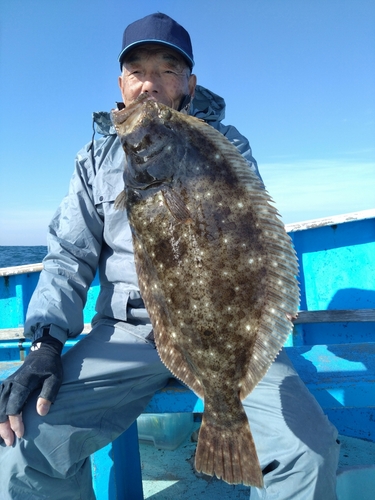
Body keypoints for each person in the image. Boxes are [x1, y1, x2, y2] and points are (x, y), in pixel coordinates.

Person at [0, 13, 340, 499]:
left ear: (189, 82)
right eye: (137, 71)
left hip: (223, 327)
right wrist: (46, 343)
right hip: (127, 331)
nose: (150, 83)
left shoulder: (224, 147)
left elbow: (257, 244)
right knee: (17, 449)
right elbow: (68, 256)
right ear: (122, 82)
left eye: (167, 69)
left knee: (308, 452)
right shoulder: (94, 160)